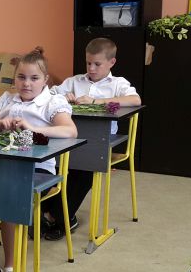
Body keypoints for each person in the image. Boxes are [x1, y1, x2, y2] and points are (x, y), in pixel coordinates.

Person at [0, 47, 77, 272]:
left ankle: (10, 267)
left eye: (34, 78)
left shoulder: (52, 102)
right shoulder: (7, 99)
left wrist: (32, 128)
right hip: (1, 165)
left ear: (45, 80)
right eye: (21, 77)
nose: (26, 83)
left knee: (9, 195)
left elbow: (70, 131)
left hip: (38, 170)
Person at [45, 37, 141, 240]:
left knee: (84, 170)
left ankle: (58, 217)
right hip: (69, 138)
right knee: (51, 166)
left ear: (111, 62)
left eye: (97, 64)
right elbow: (48, 95)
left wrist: (97, 101)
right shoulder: (74, 81)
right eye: (88, 63)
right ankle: (52, 215)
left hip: (99, 142)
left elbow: (135, 100)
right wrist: (62, 97)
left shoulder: (118, 83)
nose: (91, 68)